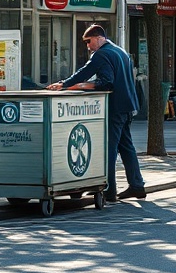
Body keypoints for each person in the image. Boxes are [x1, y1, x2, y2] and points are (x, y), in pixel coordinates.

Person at [47, 24, 145, 202]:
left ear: (99, 38)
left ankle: (108, 190)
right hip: (128, 105)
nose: (88, 46)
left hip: (115, 107)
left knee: (109, 148)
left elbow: (91, 75)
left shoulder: (101, 54)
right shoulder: (121, 51)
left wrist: (65, 84)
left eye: (89, 41)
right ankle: (137, 186)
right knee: (126, 147)